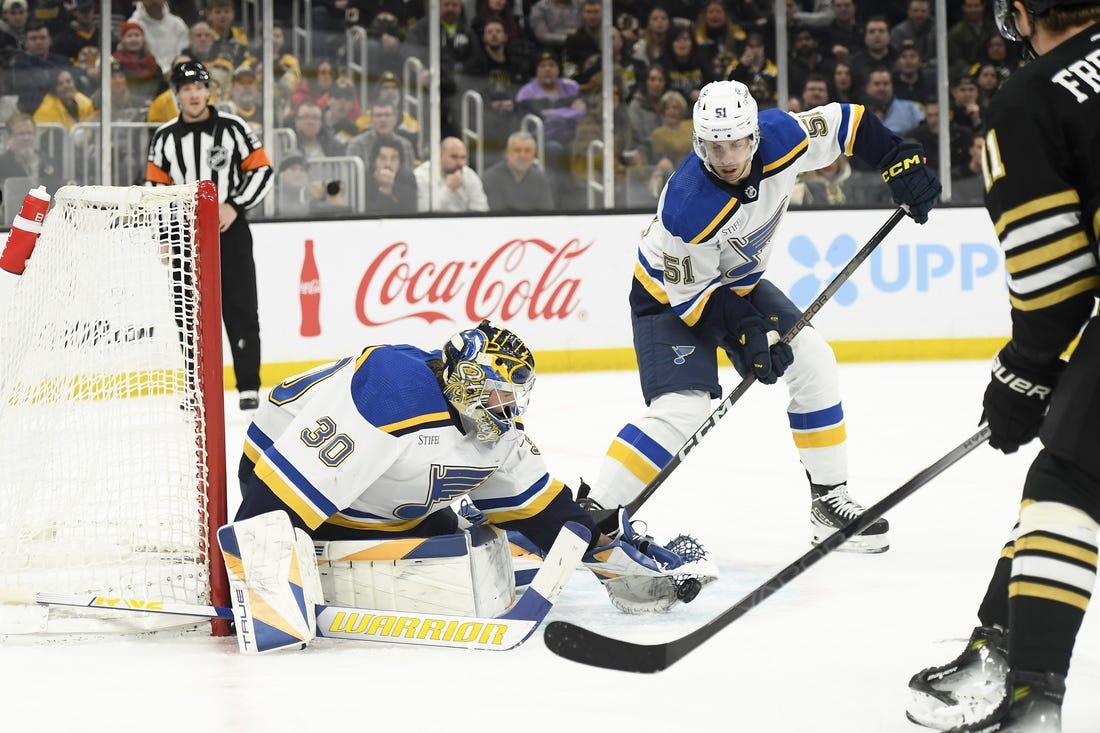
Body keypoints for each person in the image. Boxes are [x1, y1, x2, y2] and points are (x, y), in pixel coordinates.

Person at [577, 79, 941, 555]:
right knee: (685, 407)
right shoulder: (688, 204)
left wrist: (898, 156)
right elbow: (692, 298)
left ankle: (829, 504)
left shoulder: (782, 135)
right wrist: (751, 332)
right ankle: (588, 517)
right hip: (666, 297)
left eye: (736, 143)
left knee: (813, 360)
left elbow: (849, 123)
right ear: (698, 143)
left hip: (736, 285)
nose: (727, 157)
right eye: (714, 146)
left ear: (754, 136)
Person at [222, 320, 713, 653]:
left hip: (383, 500)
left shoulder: (492, 429)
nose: (508, 405)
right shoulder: (392, 391)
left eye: (514, 394)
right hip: (282, 472)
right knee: (448, 548)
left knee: (466, 539)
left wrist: (614, 559)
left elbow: (543, 513)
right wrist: (261, 587)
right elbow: (274, 500)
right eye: (498, 389)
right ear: (466, 380)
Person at [905, 2, 1100, 730]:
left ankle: (1031, 700)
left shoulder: (1032, 97)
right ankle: (1001, 634)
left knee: (1069, 480)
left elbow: (1055, 288)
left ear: (1021, 12)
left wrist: (1022, 375)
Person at [145, 60, 273, 412]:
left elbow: (262, 169)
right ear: (177, 95)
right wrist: (166, 234)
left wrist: (235, 205)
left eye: (199, 87)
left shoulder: (233, 128)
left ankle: (248, 387)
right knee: (189, 314)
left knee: (242, 309)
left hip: (231, 234)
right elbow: (156, 191)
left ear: (208, 91)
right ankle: (195, 388)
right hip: (185, 237)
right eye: (186, 89)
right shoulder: (165, 138)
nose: (194, 94)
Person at [481, 130, 554, 212]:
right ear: (507, 153)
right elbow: (496, 215)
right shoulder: (491, 178)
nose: (522, 155)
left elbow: (546, 214)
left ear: (534, 155)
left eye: (527, 151)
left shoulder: (540, 179)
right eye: (517, 150)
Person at [413, 136, 489, 213]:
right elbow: (423, 212)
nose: (460, 163)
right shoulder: (421, 176)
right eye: (454, 157)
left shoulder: (470, 176)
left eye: (463, 157)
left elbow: (481, 210)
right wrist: (449, 189)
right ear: (439, 156)